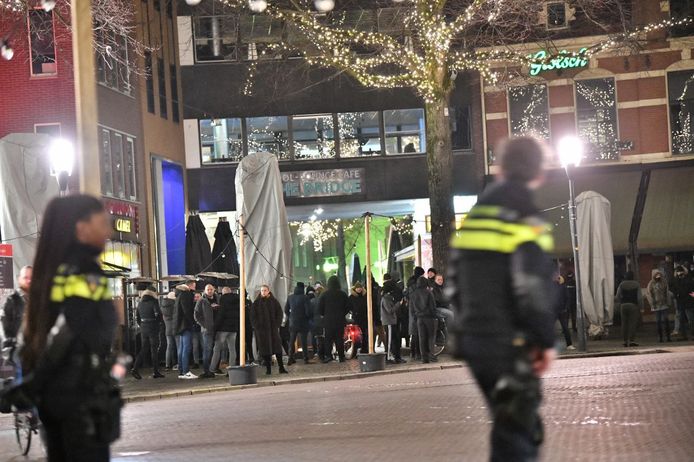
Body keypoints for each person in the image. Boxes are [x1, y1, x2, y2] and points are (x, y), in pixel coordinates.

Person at [448, 136, 557, 461]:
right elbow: (532, 286)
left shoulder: (476, 216)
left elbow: (454, 283)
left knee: (508, 428)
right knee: (519, 434)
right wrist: (544, 340)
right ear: (539, 172)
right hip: (507, 342)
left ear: (500, 169)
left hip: (474, 342)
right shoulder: (524, 214)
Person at [17, 195, 122, 460]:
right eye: (103, 223)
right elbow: (72, 327)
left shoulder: (54, 270)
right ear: (81, 228)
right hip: (80, 396)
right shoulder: (84, 270)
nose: (108, 232)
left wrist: (35, 382)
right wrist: (35, 381)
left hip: (55, 396)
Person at [0, 265, 32, 375]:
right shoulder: (11, 300)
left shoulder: (38, 300)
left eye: (31, 278)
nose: (29, 281)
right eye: (25, 277)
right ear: (19, 279)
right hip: (16, 353)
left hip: (33, 353)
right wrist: (10, 346)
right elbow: (5, 328)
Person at [251, 285, 287, 375]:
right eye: (262, 290)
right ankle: (268, 369)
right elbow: (253, 316)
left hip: (273, 329)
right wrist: (257, 326)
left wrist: (277, 324)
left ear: (268, 291)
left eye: (265, 290)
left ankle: (281, 367)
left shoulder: (274, 302)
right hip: (262, 331)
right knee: (265, 350)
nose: (263, 292)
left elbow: (279, 313)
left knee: (277, 348)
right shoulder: (256, 303)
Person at [131, 286, 164, 379]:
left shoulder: (140, 303)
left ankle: (135, 368)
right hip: (153, 327)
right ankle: (156, 371)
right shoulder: (154, 302)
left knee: (144, 349)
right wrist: (158, 323)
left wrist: (142, 325)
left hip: (143, 328)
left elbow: (137, 317)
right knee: (154, 349)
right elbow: (158, 314)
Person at [319, 276, 350, 363]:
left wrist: (325, 314)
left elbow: (320, 308)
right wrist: (342, 313)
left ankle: (328, 356)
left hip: (328, 321)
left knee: (328, 339)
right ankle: (341, 356)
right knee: (339, 339)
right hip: (340, 320)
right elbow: (348, 307)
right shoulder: (343, 294)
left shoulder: (324, 294)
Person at [410, 276, 438, 363]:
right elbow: (433, 306)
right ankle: (432, 356)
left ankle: (424, 358)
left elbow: (411, 309)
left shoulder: (413, 294)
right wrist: (434, 316)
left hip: (419, 318)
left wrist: (415, 316)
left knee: (422, 338)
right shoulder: (429, 293)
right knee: (431, 337)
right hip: (429, 318)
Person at [211, 287, 238, 374]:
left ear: (223, 293)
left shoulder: (223, 300)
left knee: (217, 349)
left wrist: (215, 327)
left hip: (223, 329)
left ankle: (212, 368)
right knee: (232, 349)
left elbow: (221, 315)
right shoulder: (237, 300)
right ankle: (232, 369)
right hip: (233, 328)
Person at [194, 284, 218, 379]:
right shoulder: (201, 300)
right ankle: (206, 370)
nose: (210, 291)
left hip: (217, 328)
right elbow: (196, 315)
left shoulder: (217, 299)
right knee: (207, 350)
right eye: (208, 289)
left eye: (211, 289)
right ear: (205, 291)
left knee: (216, 349)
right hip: (207, 330)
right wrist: (204, 325)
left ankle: (214, 369)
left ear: (214, 290)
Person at [175, 279, 198, 379]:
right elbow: (187, 311)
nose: (195, 288)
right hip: (185, 325)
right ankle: (185, 371)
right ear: (190, 286)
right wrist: (192, 322)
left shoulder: (179, 294)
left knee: (182, 348)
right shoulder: (187, 295)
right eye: (194, 286)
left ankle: (181, 371)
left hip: (180, 325)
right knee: (186, 348)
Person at [615, 271, 643, 347]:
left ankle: (625, 341)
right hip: (633, 305)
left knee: (624, 323)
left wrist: (620, 302)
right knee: (632, 324)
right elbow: (639, 298)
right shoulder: (636, 284)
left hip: (623, 305)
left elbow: (617, 296)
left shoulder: (621, 284)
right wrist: (641, 307)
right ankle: (631, 341)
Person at [285, 282, 311, 365]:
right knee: (303, 341)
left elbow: (286, 310)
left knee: (292, 340)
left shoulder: (290, 297)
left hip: (293, 322)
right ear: (303, 288)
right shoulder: (305, 297)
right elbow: (308, 311)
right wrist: (307, 317)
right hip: (303, 322)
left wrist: (291, 316)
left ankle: (290, 358)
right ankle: (305, 358)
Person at [381, 273, 405, 364]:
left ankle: (394, 357)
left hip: (391, 321)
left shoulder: (388, 297)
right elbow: (390, 310)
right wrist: (399, 304)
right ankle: (388, 357)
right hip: (389, 321)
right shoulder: (386, 298)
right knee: (390, 340)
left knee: (394, 339)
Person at [405, 267, 425, 360]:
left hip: (412, 310)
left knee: (414, 333)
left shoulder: (410, 284)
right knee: (417, 333)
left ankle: (413, 353)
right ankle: (417, 353)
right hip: (416, 311)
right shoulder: (416, 285)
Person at [647, 269, 672, 342]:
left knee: (666, 320)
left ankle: (668, 337)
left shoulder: (664, 282)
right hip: (656, 305)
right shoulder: (651, 283)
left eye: (659, 274)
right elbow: (649, 294)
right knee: (658, 321)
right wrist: (652, 303)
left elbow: (667, 292)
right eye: (656, 275)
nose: (658, 276)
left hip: (664, 304)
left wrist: (668, 302)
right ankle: (660, 337)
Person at [553, 275, 574, 351]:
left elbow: (567, 298)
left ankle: (569, 344)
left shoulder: (562, 287)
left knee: (565, 328)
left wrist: (566, 308)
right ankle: (569, 345)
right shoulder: (552, 287)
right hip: (555, 310)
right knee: (564, 328)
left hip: (561, 310)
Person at [672, 266, 694, 340]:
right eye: (678, 272)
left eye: (680, 271)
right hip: (680, 302)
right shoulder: (676, 280)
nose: (679, 273)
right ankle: (684, 336)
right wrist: (676, 295)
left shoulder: (689, 280)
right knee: (682, 320)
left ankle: (692, 334)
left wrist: (690, 297)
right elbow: (674, 290)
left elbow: (692, 291)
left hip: (688, 302)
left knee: (691, 320)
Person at [349, 282, 369, 354]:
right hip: (356, 318)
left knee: (364, 333)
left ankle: (364, 348)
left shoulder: (365, 296)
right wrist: (353, 312)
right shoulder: (351, 297)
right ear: (355, 289)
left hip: (364, 318)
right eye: (358, 288)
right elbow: (349, 306)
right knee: (356, 335)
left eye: (360, 288)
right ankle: (355, 349)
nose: (359, 289)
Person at [160, 291, 178, 371]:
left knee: (169, 347)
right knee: (178, 347)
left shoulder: (163, 306)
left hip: (168, 330)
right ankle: (177, 364)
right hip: (176, 329)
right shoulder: (174, 306)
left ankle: (167, 364)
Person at [310, 286, 325, 361]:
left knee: (314, 337)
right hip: (322, 321)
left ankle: (315, 352)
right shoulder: (324, 301)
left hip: (314, 321)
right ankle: (322, 353)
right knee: (322, 338)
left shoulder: (312, 301)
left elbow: (309, 312)